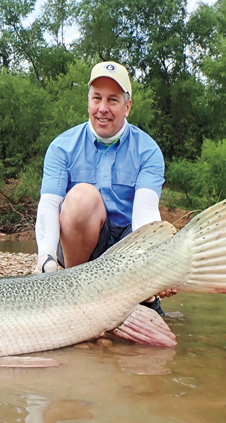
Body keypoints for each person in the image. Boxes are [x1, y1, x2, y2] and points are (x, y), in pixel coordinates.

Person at [33, 61, 175, 314]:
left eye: (113, 100)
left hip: (127, 248)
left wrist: (157, 263)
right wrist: (45, 256)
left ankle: (143, 294)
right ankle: (75, 288)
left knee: (166, 239)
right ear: (88, 102)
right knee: (81, 197)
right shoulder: (61, 147)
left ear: (127, 106)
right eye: (97, 98)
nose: (102, 109)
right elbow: (49, 204)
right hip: (79, 248)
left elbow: (145, 214)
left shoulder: (148, 150)